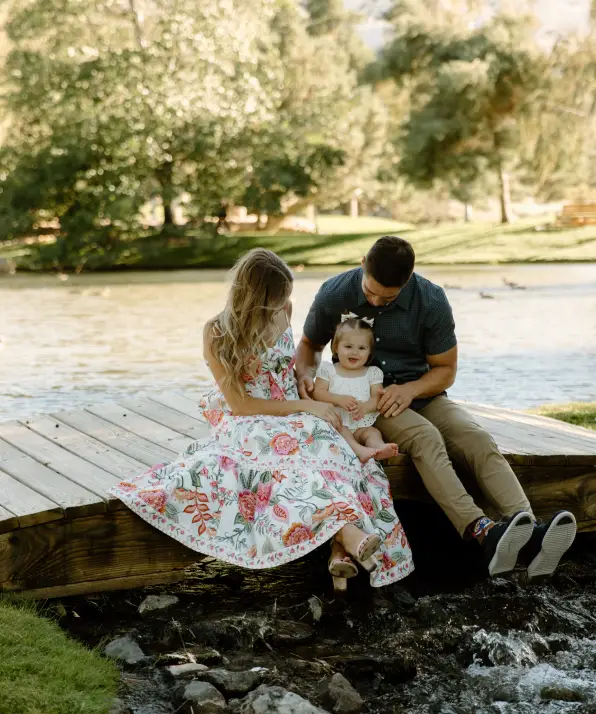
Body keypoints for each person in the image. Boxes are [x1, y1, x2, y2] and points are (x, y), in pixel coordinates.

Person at [108, 248, 413, 592]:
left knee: (334, 460)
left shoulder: (285, 309)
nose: (285, 304)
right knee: (283, 472)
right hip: (252, 419)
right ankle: (347, 533)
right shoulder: (217, 334)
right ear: (255, 299)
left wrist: (302, 380)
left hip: (294, 409)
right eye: (278, 298)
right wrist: (304, 409)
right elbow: (241, 405)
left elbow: (290, 362)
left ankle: (339, 555)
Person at [296, 235, 577, 579]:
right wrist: (309, 379)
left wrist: (411, 389)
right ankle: (483, 531)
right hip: (368, 404)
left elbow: (446, 370)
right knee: (425, 437)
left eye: (388, 297)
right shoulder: (334, 292)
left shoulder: (430, 299)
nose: (375, 301)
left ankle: (530, 532)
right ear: (362, 263)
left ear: (409, 280)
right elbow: (309, 344)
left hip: (423, 393)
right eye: (370, 293)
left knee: (477, 440)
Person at [313, 315, 399, 463]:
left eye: (362, 348)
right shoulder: (329, 370)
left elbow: (377, 398)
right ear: (336, 348)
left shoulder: (372, 373)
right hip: (338, 423)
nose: (355, 352)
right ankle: (361, 451)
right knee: (342, 430)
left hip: (361, 423)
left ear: (369, 352)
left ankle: (379, 448)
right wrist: (338, 399)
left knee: (372, 432)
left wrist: (364, 408)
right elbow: (318, 393)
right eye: (348, 346)